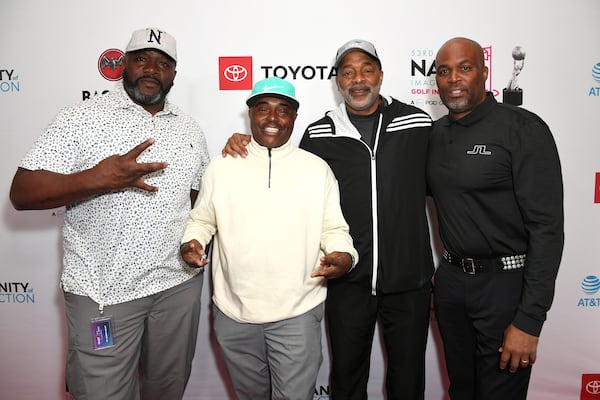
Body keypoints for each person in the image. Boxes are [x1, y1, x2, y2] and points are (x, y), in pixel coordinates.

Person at [223, 40, 434, 400]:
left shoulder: (417, 122)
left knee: (408, 380)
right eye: (348, 72)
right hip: (346, 280)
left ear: (381, 75)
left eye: (367, 70)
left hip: (409, 279)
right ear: (337, 81)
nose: (358, 80)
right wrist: (247, 143)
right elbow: (286, 177)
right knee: (347, 379)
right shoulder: (320, 134)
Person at [9, 27, 210, 400]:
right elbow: (22, 192)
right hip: (104, 291)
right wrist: (98, 178)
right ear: (123, 66)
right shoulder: (81, 117)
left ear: (174, 75)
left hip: (176, 287)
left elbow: (194, 197)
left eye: (163, 63)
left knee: (167, 390)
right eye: (141, 59)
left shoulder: (190, 130)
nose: (152, 69)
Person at [180, 77, 358, 400]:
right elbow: (201, 220)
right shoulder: (221, 168)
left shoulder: (316, 170)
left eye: (283, 110)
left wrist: (343, 255)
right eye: (263, 109)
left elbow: (334, 230)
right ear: (250, 115)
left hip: (297, 313)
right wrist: (192, 241)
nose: (273, 119)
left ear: (294, 117)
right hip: (234, 314)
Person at [427, 37, 564, 400]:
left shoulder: (522, 128)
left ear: (485, 73)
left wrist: (530, 319)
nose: (453, 78)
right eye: (444, 71)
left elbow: (547, 229)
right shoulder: (435, 134)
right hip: (452, 286)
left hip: (505, 289)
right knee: (462, 391)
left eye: (465, 68)